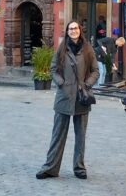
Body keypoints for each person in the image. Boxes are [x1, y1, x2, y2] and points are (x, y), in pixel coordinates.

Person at [36, 21, 99, 180]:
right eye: (70, 29)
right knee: (57, 134)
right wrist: (61, 83)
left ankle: (79, 168)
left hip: (81, 97)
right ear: (67, 31)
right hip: (64, 96)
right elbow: (53, 67)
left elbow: (95, 70)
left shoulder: (87, 48)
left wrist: (87, 84)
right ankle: (50, 167)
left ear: (80, 30)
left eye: (76, 28)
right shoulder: (62, 47)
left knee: (80, 136)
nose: (73, 31)